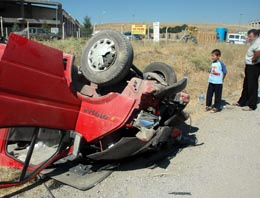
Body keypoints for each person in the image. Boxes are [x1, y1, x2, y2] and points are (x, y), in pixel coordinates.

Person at [234, 29, 260, 111]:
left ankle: (252, 105)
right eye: (248, 36)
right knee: (246, 84)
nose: (249, 37)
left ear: (256, 36)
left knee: (252, 85)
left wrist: (254, 58)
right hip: (249, 66)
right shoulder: (254, 42)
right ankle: (242, 101)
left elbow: (258, 52)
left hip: (254, 66)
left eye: (250, 36)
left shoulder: (258, 42)